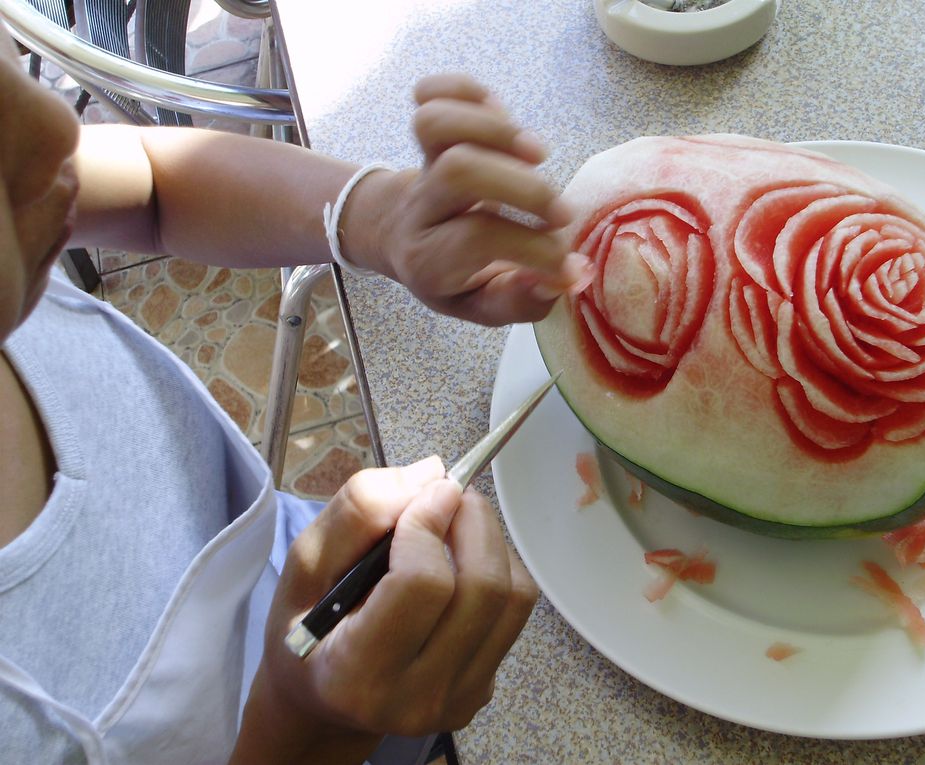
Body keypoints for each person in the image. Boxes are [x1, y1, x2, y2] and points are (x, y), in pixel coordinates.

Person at [0, 26, 585, 765]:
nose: (56, 129)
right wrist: (309, 730)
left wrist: (379, 220)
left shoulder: (23, 184)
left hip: (288, 573)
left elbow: (151, 181)